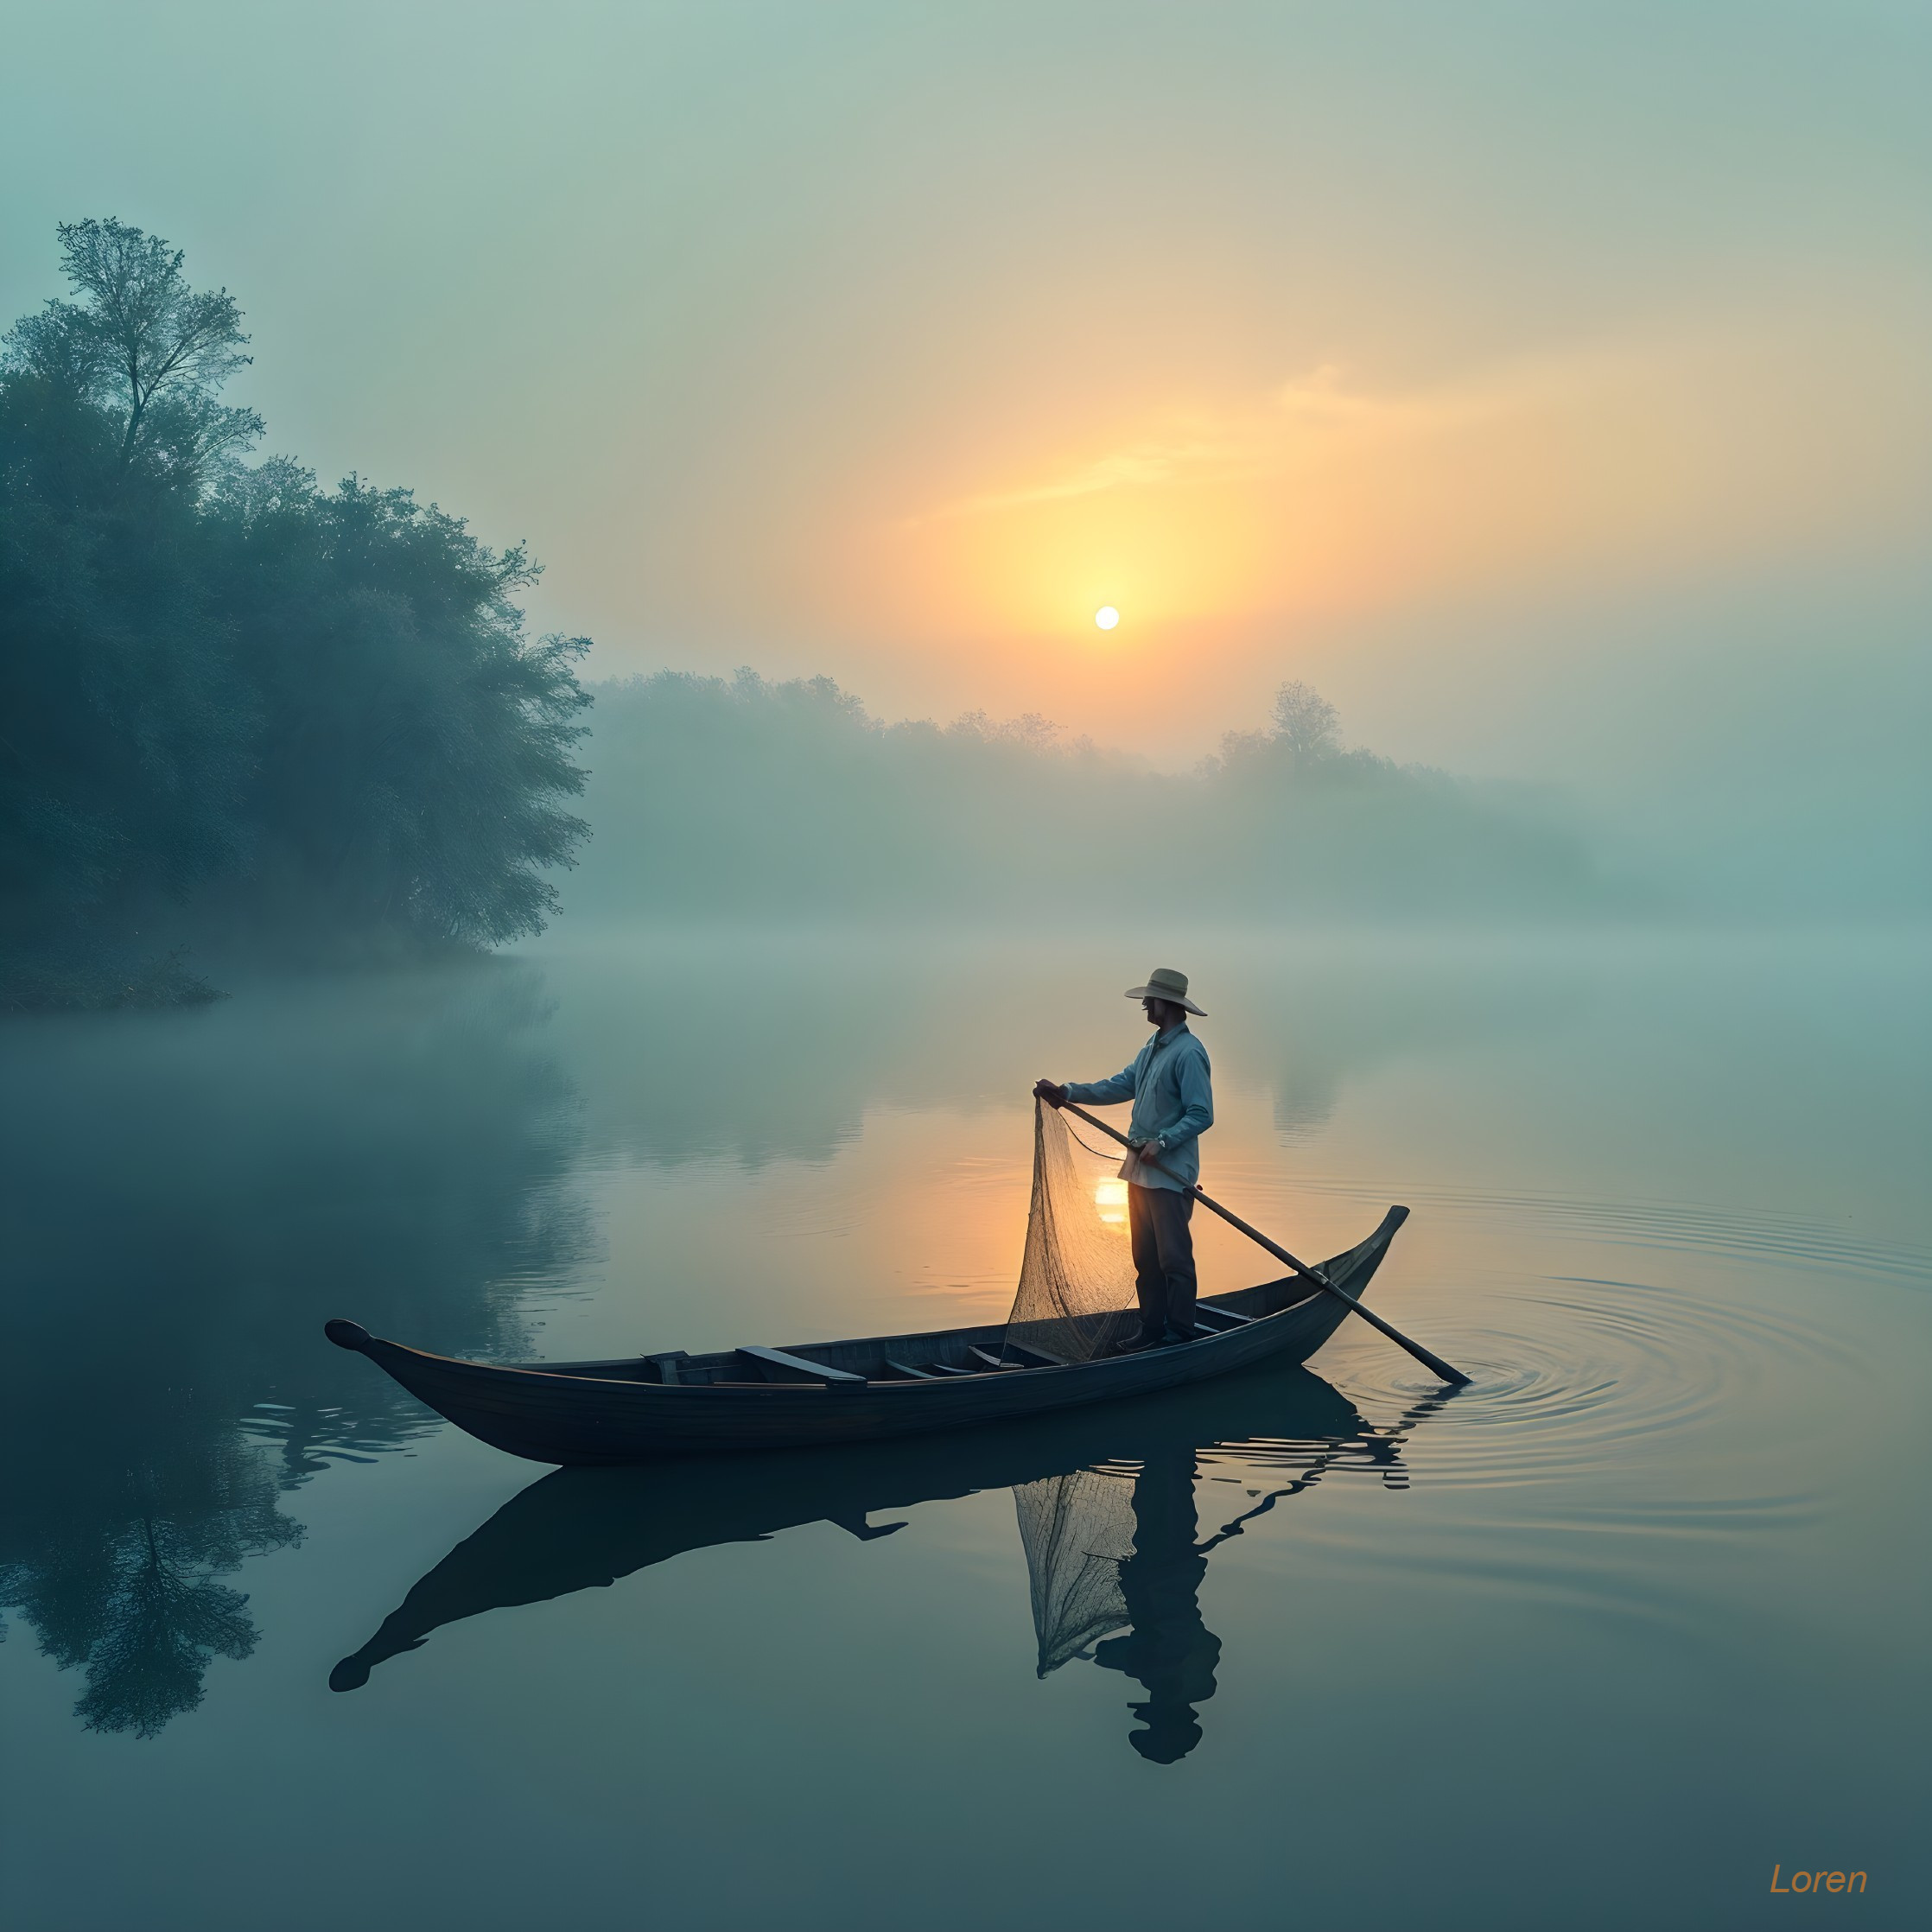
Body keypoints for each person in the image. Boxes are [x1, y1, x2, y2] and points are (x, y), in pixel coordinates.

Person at [1033, 967, 1214, 1351]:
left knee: (1174, 1262)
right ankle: (1150, 1331)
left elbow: (1201, 1113)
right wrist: (1067, 1092)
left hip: (1168, 1174)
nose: (1145, 1004)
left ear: (1167, 1004)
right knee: (1145, 1261)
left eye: (1150, 999)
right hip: (1139, 1175)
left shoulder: (1189, 1052)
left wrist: (1162, 1143)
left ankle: (1179, 1335)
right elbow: (1119, 1085)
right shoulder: (1151, 1049)